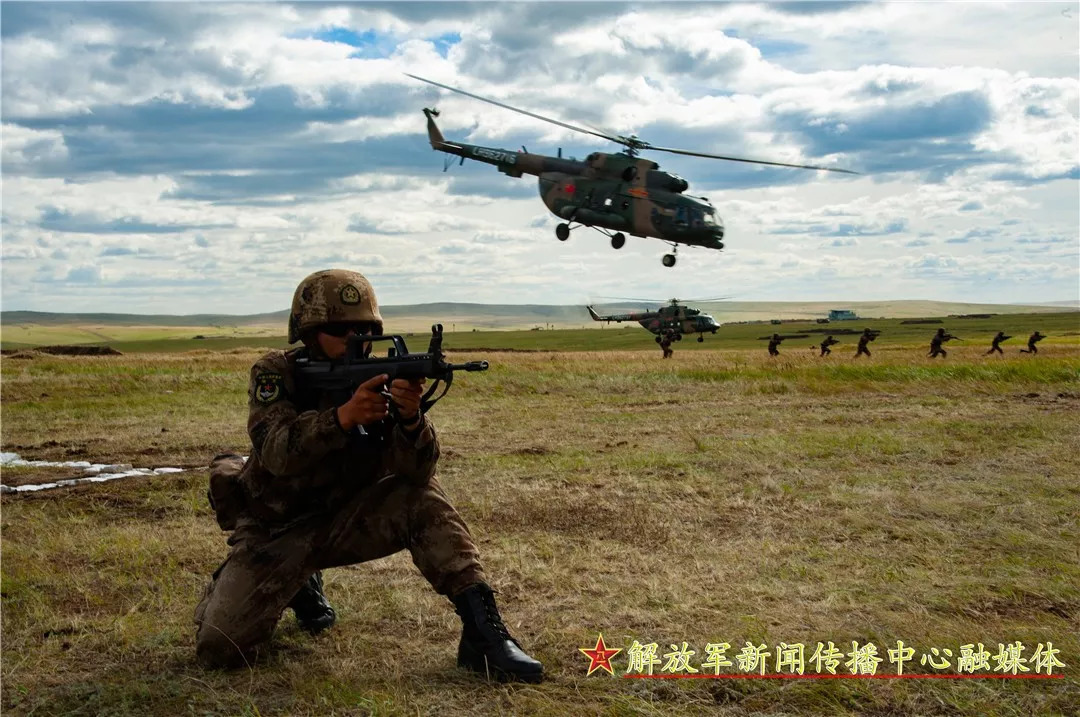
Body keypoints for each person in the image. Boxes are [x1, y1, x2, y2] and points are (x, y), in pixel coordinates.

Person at [194, 269, 543, 683]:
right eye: (340, 329)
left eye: (363, 329)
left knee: (422, 498)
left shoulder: (380, 378)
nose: (354, 338)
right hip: (276, 529)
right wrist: (341, 418)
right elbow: (275, 451)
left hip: (344, 520)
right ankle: (297, 585)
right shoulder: (277, 372)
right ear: (308, 331)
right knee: (220, 648)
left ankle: (484, 634)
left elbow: (418, 472)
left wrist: (410, 419)